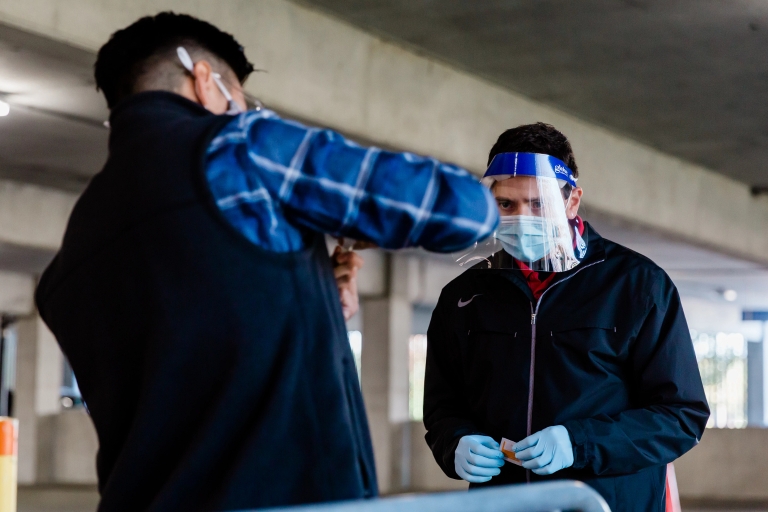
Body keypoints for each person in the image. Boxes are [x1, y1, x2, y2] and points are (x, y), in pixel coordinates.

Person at [34, 12, 499, 511]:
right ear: (204, 80)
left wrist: (312, 297)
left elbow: (189, 360)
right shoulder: (240, 147)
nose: (244, 111)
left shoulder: (74, 254)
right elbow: (462, 210)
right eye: (241, 97)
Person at [423, 122, 709, 512]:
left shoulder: (637, 285)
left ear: (572, 200)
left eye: (539, 203)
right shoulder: (463, 297)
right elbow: (442, 407)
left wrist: (579, 444)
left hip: (607, 504)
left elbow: (680, 416)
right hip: (503, 504)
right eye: (506, 204)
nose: (521, 218)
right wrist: (455, 442)